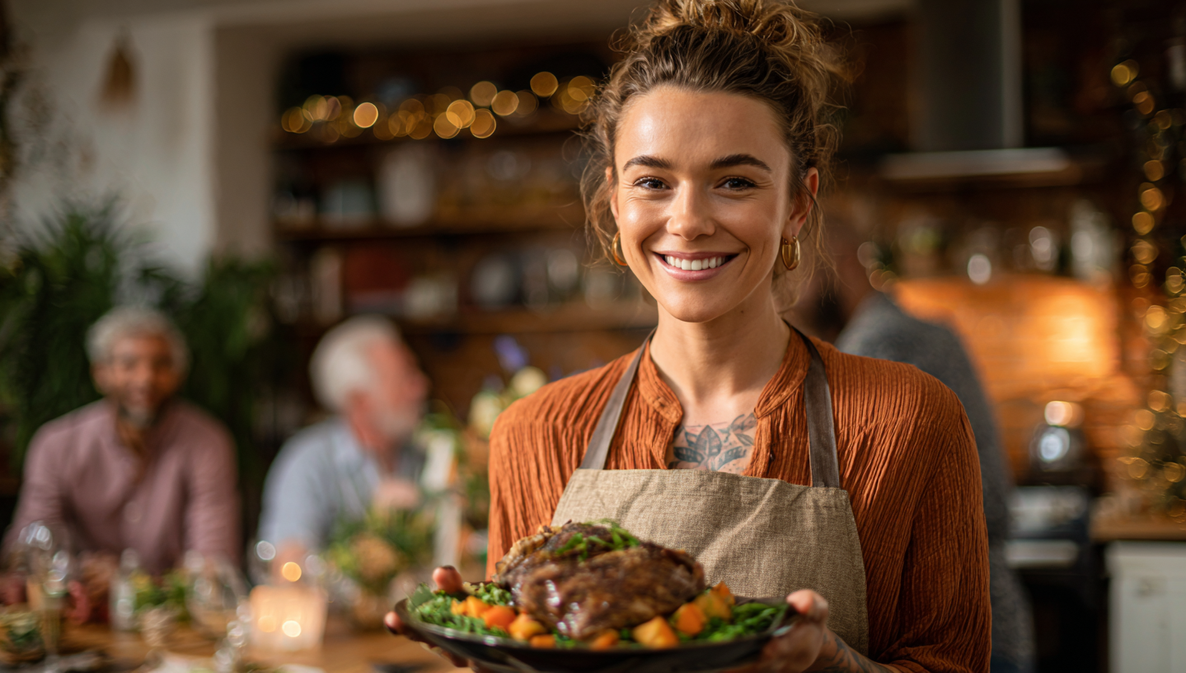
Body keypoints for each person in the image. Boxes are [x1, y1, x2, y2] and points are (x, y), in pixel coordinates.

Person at [390, 1, 990, 671]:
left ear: (797, 203)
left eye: (734, 181)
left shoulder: (908, 419)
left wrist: (832, 664)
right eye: (653, 182)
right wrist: (476, 644)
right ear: (615, 203)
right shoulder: (535, 432)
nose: (689, 220)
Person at [796, 199, 1034, 673]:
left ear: (837, 263)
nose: (786, 293)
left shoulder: (879, 346)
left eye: (794, 268)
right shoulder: (918, 329)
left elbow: (853, 515)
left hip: (948, 635)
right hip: (987, 615)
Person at [6, 306, 240, 574]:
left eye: (160, 365)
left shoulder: (208, 442)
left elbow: (216, 563)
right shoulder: (56, 444)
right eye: (129, 365)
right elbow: (25, 553)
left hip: (171, 611)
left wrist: (129, 582)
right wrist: (79, 573)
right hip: (78, 604)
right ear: (100, 374)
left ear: (178, 375)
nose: (145, 378)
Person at [258, 316, 429, 558]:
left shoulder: (422, 452)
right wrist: (375, 532)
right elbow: (286, 569)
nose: (421, 387)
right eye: (405, 379)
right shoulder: (307, 463)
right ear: (359, 400)